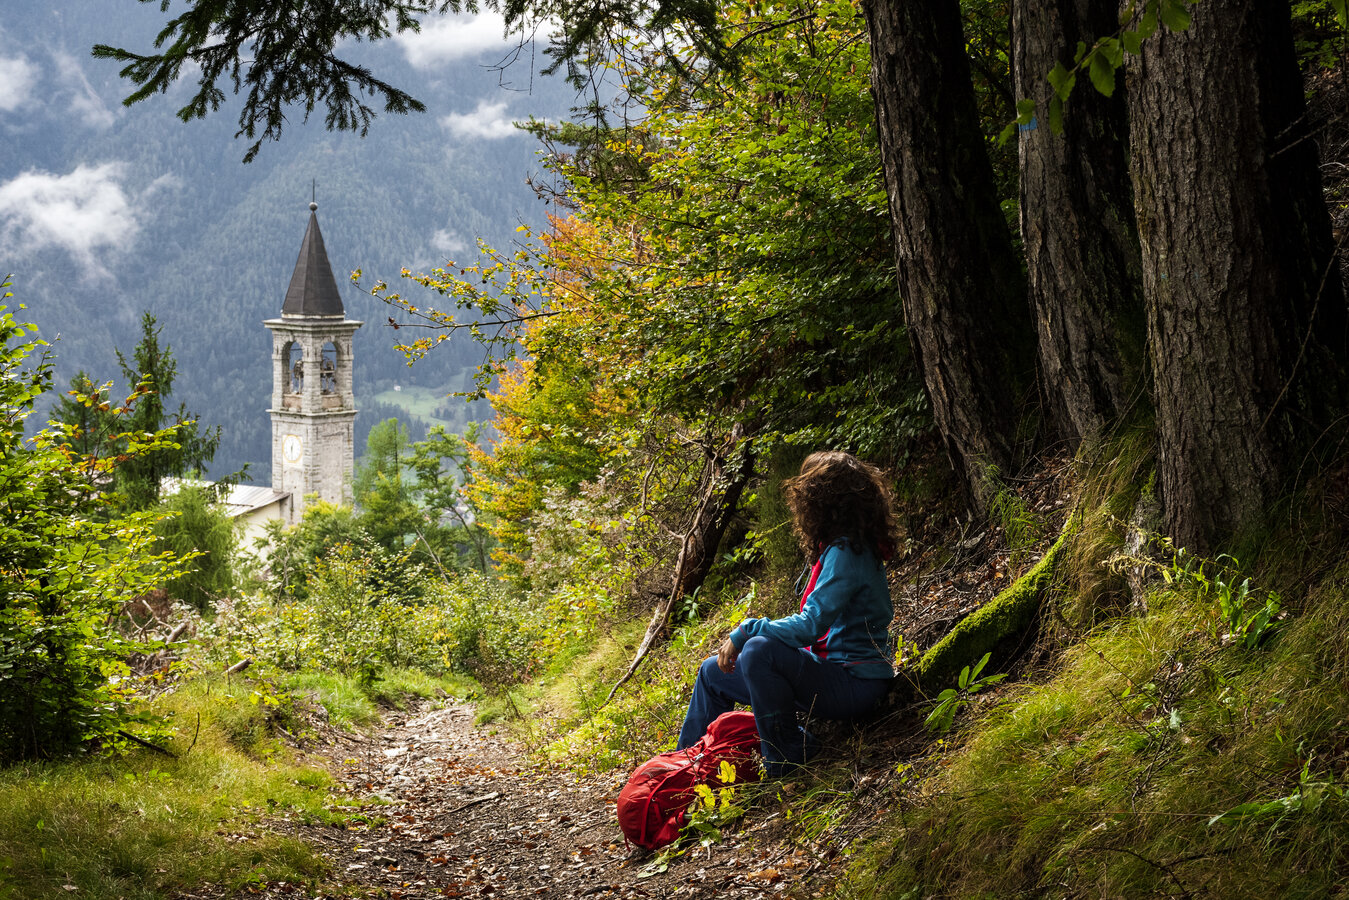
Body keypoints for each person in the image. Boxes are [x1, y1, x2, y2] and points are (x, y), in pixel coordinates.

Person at [675, 450, 896, 777]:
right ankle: (684, 769)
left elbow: (809, 625)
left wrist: (748, 629)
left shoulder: (849, 553)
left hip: (857, 685)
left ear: (821, 502)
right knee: (713, 672)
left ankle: (787, 754)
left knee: (759, 650)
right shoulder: (840, 547)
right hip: (833, 676)